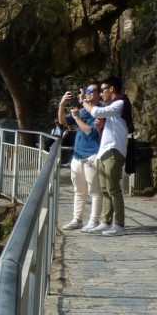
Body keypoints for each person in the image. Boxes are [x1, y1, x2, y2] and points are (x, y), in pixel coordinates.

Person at [81, 75, 131, 236]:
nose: (101, 94)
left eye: (103, 90)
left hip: (114, 150)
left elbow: (97, 111)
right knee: (104, 189)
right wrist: (101, 126)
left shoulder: (121, 102)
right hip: (105, 150)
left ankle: (119, 224)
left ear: (112, 89)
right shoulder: (113, 107)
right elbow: (105, 123)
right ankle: (106, 221)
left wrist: (84, 101)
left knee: (113, 188)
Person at [57, 84, 102, 231]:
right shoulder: (82, 111)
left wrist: (76, 117)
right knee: (78, 190)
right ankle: (77, 219)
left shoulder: (100, 111)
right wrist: (62, 104)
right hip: (77, 155)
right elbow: (62, 122)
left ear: (99, 94)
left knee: (94, 190)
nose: (87, 94)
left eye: (90, 91)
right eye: (86, 92)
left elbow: (90, 131)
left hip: (92, 153)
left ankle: (94, 220)